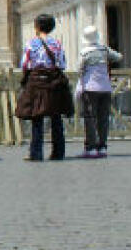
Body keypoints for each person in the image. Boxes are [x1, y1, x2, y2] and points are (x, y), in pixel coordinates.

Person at [20, 14, 67, 161]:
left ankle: (36, 152)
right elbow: (62, 64)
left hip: (37, 82)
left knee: (37, 117)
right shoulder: (57, 44)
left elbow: (25, 64)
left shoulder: (31, 44)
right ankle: (58, 152)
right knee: (56, 118)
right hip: (54, 82)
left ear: (37, 27)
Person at [74, 26, 122, 158]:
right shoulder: (104, 49)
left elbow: (79, 68)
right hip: (105, 88)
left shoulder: (84, 52)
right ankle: (102, 147)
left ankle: (91, 147)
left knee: (90, 119)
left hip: (90, 89)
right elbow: (118, 57)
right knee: (103, 118)